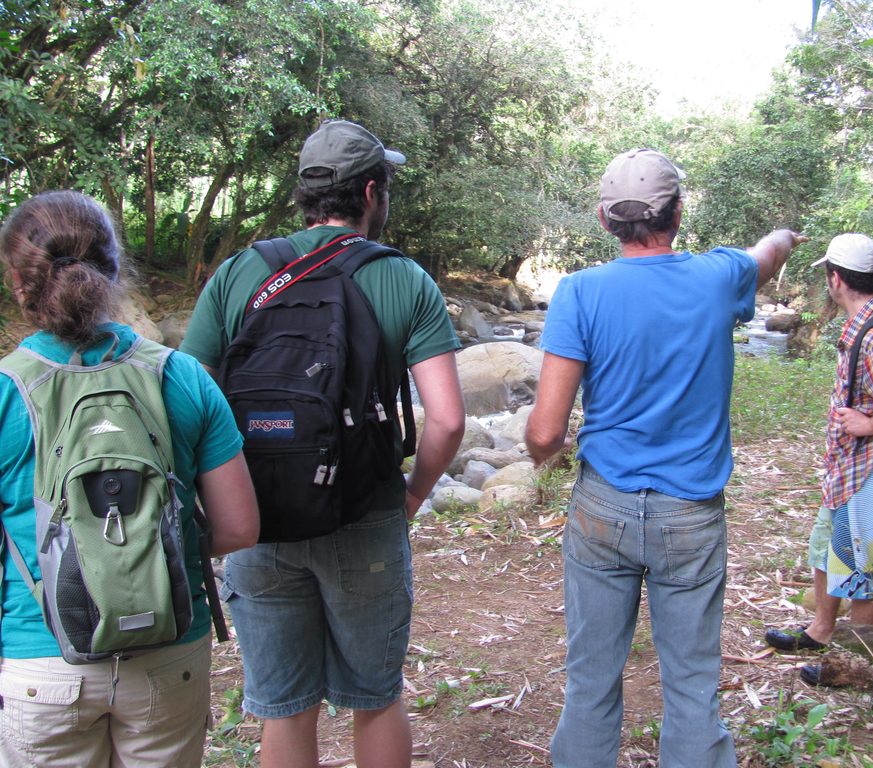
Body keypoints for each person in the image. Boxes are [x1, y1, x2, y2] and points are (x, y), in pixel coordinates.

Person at [180, 119, 465, 768]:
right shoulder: (404, 280)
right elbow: (447, 421)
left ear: (307, 194)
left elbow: (186, 397)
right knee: (375, 699)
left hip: (257, 523)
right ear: (371, 193)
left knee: (285, 709)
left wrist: (218, 507)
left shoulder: (238, 273)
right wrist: (413, 494)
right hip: (365, 516)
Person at [525, 148, 807, 768]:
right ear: (679, 213)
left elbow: (544, 432)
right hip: (692, 516)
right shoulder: (719, 277)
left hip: (602, 507)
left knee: (591, 682)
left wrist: (558, 455)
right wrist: (784, 236)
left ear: (605, 219)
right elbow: (768, 255)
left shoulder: (578, 292)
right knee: (691, 689)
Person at [0, 190, 260, 767]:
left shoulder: (3, 391)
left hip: (40, 662)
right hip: (168, 652)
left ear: (19, 281)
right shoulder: (182, 376)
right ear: (115, 273)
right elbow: (240, 528)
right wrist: (150, 547)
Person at [763, 233, 873, 682]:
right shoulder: (869, 321)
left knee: (859, 569)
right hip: (849, 469)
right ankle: (820, 630)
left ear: (836, 279)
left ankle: (858, 667)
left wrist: (867, 425)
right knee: (824, 547)